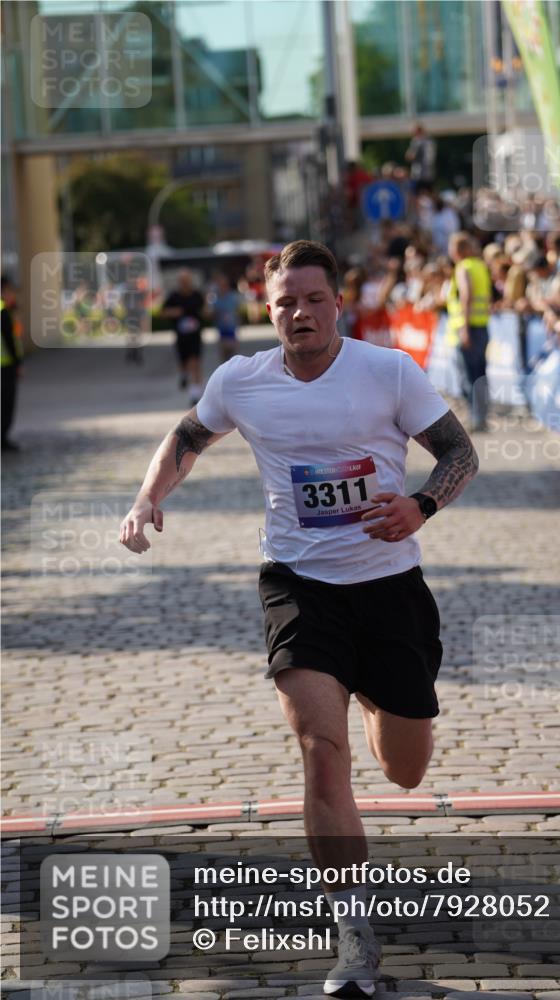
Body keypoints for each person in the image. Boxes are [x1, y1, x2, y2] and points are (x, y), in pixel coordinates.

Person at [119, 240, 479, 999]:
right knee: (321, 747)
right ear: (267, 306)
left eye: (313, 299)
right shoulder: (241, 381)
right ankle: (352, 930)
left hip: (388, 587)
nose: (299, 313)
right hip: (297, 583)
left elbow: (457, 452)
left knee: (404, 768)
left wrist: (420, 504)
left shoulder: (387, 373)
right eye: (285, 301)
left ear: (336, 305)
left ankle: (381, 694)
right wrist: (149, 496)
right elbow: (187, 436)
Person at [447, 232, 492, 432]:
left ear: (459, 250)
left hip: (469, 327)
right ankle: (481, 417)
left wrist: (464, 328)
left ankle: (476, 419)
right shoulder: (480, 266)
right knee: (480, 374)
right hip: (482, 325)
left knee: (468, 375)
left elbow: (466, 295)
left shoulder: (463, 267)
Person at [161, 269, 207, 404]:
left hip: (195, 336)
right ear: (179, 282)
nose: (185, 283)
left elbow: (205, 310)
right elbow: (163, 312)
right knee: (184, 364)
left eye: (187, 281)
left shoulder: (197, 295)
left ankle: (194, 395)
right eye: (183, 281)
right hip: (181, 337)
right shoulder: (173, 296)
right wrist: (174, 312)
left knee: (195, 363)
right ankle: (183, 374)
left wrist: (207, 313)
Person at [1, 275, 23, 452]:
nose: (12, 295)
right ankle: (3, 439)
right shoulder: (3, 311)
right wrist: (18, 364)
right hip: (5, 366)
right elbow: (9, 340)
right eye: (9, 291)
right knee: (6, 404)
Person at [209, 272, 242, 364]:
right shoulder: (215, 299)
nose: (222, 287)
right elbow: (211, 314)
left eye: (224, 285)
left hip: (231, 330)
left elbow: (237, 312)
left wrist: (238, 324)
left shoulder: (232, 297)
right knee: (223, 360)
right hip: (221, 331)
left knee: (233, 359)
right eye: (220, 285)